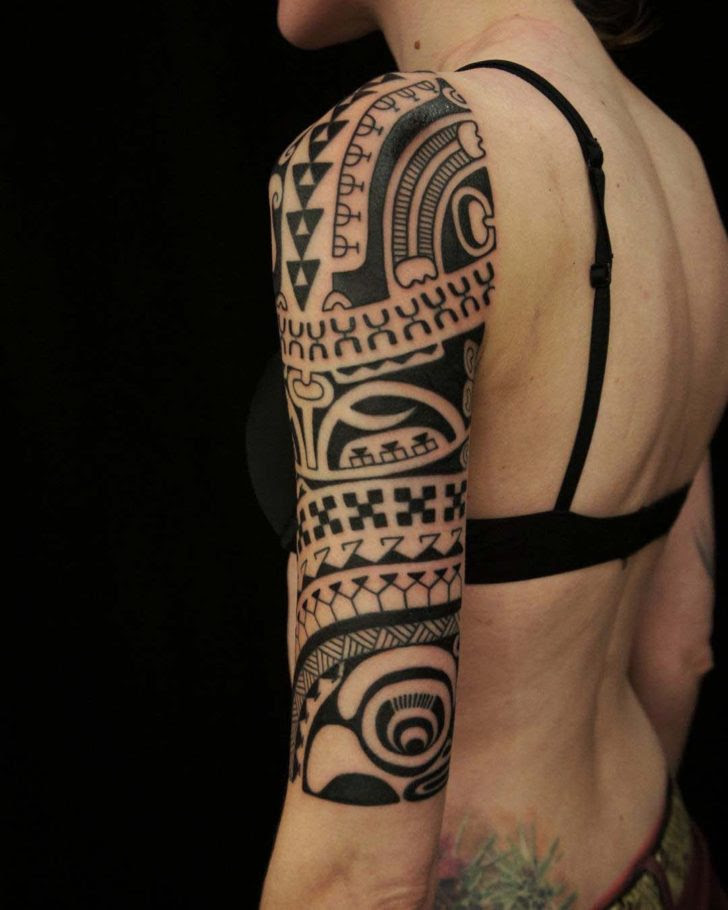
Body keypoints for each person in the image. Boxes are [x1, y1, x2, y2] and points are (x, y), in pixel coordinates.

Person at [247, 0, 728, 906]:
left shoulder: (403, 155)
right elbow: (679, 648)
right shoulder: (674, 160)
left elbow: (362, 868)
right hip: (663, 860)